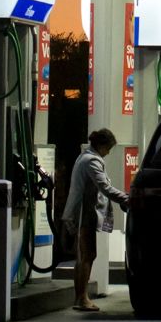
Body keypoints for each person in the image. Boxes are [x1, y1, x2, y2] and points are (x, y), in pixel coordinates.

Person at [61, 128, 129, 312]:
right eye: (108, 148)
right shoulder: (91, 161)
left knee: (83, 256)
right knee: (87, 255)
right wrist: (126, 198)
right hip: (85, 214)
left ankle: (80, 297)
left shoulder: (84, 157)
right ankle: (82, 298)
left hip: (81, 213)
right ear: (101, 145)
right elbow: (104, 187)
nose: (109, 152)